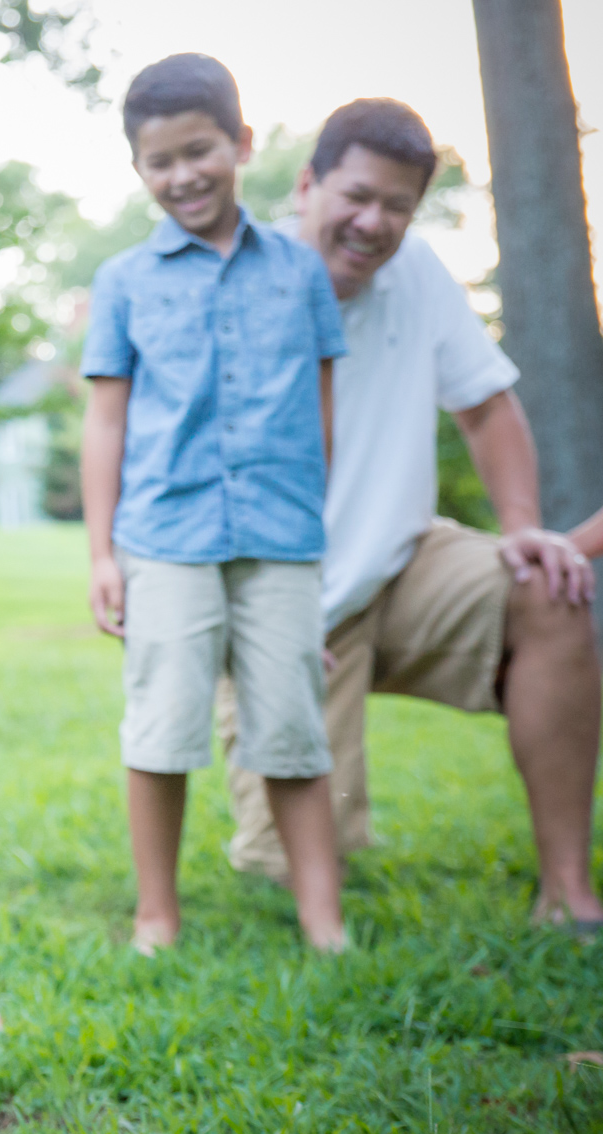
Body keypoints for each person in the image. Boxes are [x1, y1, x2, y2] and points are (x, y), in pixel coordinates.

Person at [223, 98, 603, 933]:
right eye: (356, 196)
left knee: (552, 589)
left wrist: (521, 526)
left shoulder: (417, 275)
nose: (373, 223)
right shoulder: (235, 283)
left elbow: (488, 409)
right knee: (280, 865)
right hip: (274, 596)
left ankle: (568, 892)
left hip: (400, 564)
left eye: (397, 206)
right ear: (307, 182)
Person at [80, 53, 348, 954]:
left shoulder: (302, 273)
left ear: (240, 143)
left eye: (200, 151)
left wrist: (319, 531)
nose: (183, 175)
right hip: (165, 536)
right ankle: (158, 914)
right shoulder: (124, 281)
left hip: (280, 536)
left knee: (292, 729)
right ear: (139, 171)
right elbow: (106, 423)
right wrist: (103, 553)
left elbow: (321, 413)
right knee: (160, 729)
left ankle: (324, 919)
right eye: (161, 162)